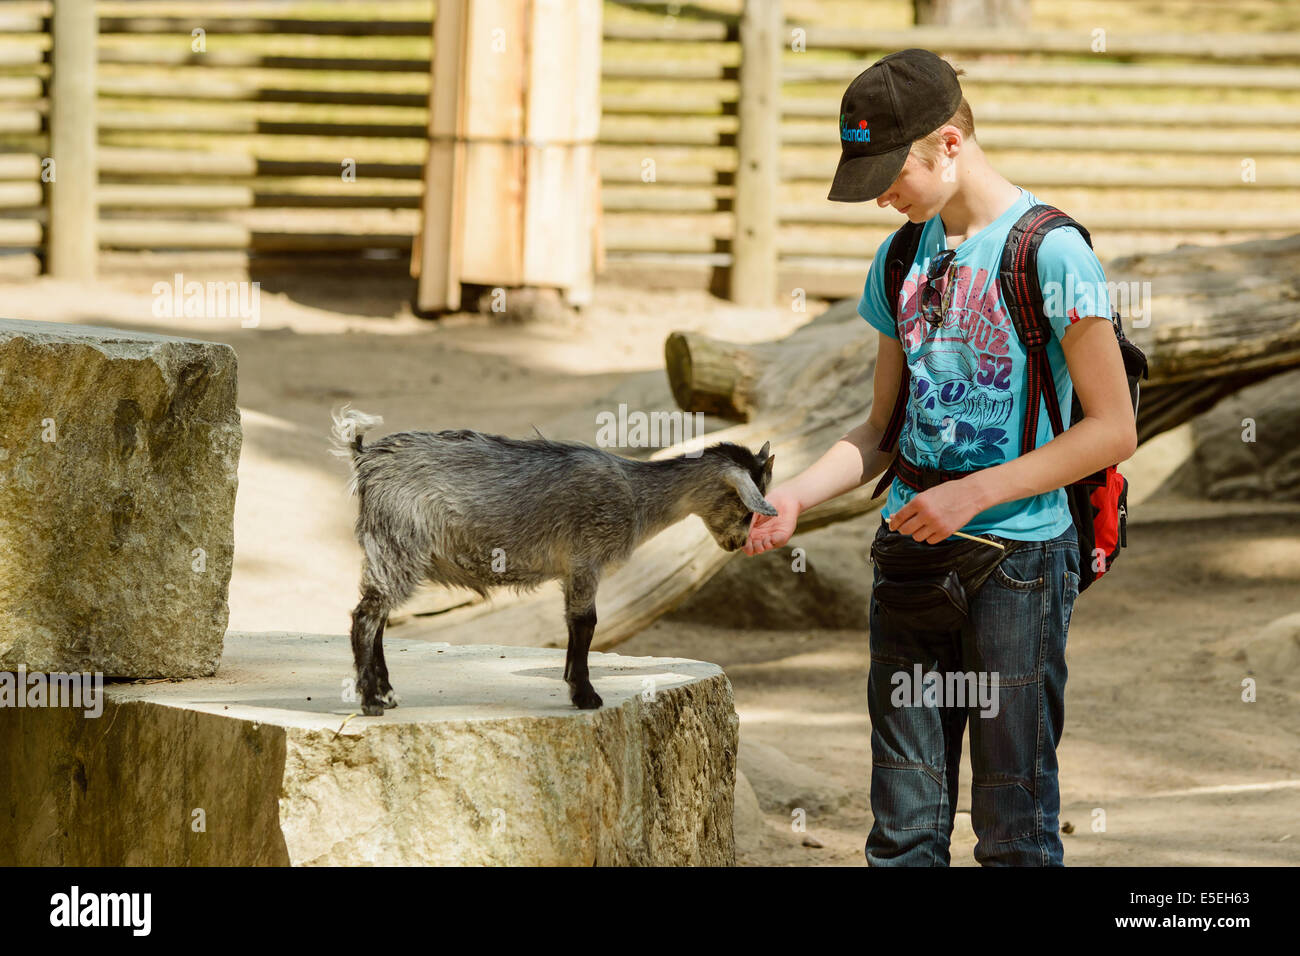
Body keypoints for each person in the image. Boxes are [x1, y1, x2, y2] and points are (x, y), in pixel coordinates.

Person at [741, 48, 1138, 866]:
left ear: (949, 143)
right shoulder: (900, 258)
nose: (882, 193)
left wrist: (973, 494)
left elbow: (1112, 429)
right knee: (904, 832)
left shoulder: (1051, 254)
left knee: (1014, 832)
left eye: (893, 171)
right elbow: (879, 429)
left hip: (1020, 565)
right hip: (910, 560)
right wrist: (797, 499)